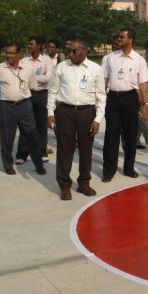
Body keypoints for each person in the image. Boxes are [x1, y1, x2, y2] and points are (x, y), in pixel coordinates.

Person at [47, 39, 106, 200]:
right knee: (65, 149)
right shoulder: (61, 68)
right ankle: (64, 185)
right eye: (69, 51)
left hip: (87, 113)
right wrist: (50, 113)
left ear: (84, 51)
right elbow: (52, 92)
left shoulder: (96, 69)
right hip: (65, 112)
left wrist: (98, 119)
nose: (70, 54)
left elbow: (101, 96)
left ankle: (84, 183)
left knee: (86, 150)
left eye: (74, 51)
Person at [102, 28, 148, 182]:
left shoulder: (139, 60)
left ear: (131, 39)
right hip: (113, 99)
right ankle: (109, 170)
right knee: (111, 136)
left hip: (130, 99)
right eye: (118, 36)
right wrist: (101, 99)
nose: (119, 39)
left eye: (122, 37)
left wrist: (145, 105)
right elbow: (104, 80)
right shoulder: (109, 58)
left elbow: (142, 84)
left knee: (130, 136)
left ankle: (129, 168)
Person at [0, 44, 46, 176]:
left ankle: (38, 165)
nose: (8, 56)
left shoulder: (28, 69)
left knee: (32, 136)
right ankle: (8, 165)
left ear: (19, 55)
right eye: (7, 53)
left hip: (25, 105)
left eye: (12, 53)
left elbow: (32, 86)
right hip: (7, 107)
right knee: (7, 138)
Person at [16, 36, 53, 164]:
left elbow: (48, 77)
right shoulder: (24, 61)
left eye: (31, 44)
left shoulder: (46, 60)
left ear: (39, 46)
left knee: (41, 125)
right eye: (28, 44)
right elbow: (20, 76)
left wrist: (31, 77)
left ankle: (42, 152)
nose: (29, 46)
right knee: (25, 125)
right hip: (27, 94)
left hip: (41, 95)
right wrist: (36, 77)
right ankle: (22, 153)